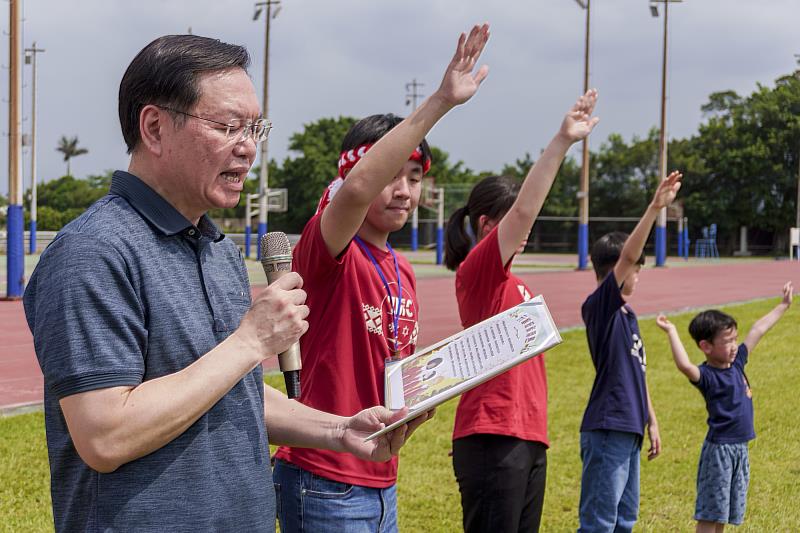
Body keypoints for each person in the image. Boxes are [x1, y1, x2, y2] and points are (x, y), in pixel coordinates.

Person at [23, 34, 420, 533]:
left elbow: (233, 388)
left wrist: (339, 428)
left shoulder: (218, 251)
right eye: (228, 126)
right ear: (154, 127)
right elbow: (104, 436)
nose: (248, 146)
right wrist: (249, 341)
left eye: (255, 128)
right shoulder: (94, 252)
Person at [272, 24, 491, 533]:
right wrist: (440, 101)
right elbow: (353, 194)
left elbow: (392, 362)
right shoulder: (331, 249)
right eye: (392, 175)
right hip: (323, 474)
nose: (403, 191)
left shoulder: (403, 269)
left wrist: (422, 394)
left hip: (379, 475)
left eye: (415, 179)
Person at [443, 90, 600, 532]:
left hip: (527, 437)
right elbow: (528, 206)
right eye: (513, 219)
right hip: (494, 436)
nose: (526, 226)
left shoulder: (518, 285)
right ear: (487, 226)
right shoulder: (480, 271)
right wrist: (562, 142)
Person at [577, 170, 683, 532]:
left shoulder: (629, 315)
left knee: (625, 521)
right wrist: (654, 208)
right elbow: (629, 255)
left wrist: (651, 420)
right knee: (599, 523)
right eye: (637, 268)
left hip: (629, 427)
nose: (639, 274)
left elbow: (637, 373)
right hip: (608, 426)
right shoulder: (600, 306)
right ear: (621, 270)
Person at [656, 282, 793, 532]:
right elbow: (685, 365)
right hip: (720, 451)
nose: (734, 346)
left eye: (735, 339)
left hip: (740, 449)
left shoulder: (737, 362)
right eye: (727, 341)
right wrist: (671, 331)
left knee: (725, 513)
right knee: (710, 514)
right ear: (706, 346)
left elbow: (758, 329)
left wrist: (783, 306)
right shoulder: (708, 376)